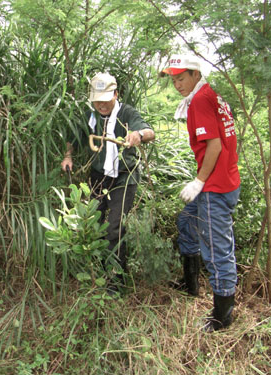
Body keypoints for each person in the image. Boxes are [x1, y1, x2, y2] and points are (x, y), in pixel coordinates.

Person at [161, 55, 241, 331]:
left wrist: (199, 181)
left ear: (196, 74)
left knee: (217, 252)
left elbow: (215, 146)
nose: (177, 85)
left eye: (181, 78)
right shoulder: (212, 94)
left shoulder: (200, 100)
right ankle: (190, 284)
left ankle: (222, 318)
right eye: (173, 80)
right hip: (222, 181)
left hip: (214, 188)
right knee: (186, 223)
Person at [61, 72, 155, 293]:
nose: (101, 104)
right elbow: (74, 136)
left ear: (116, 94)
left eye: (106, 98)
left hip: (124, 176)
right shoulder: (91, 115)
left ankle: (116, 282)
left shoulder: (127, 113)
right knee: (93, 222)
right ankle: (97, 273)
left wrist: (138, 135)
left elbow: (149, 131)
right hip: (99, 175)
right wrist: (68, 155)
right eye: (97, 99)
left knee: (114, 227)